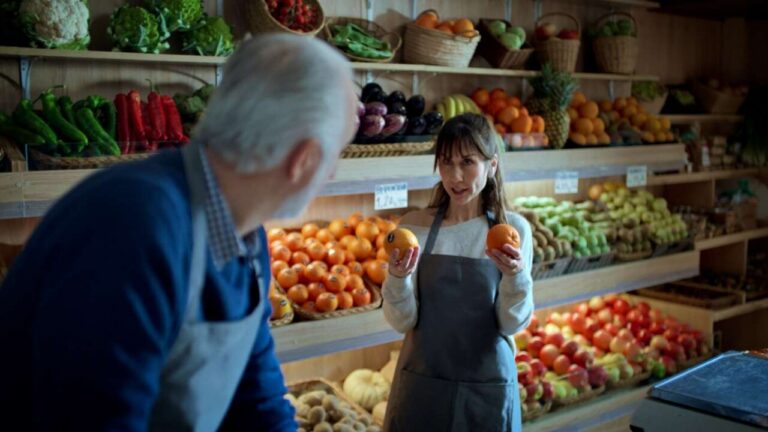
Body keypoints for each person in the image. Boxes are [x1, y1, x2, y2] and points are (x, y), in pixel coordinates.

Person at [0, 34, 358, 431]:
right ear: (303, 160)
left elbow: (256, 396)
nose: (332, 174)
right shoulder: (133, 226)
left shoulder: (246, 238)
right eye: (335, 156)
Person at [382, 113, 534, 432]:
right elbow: (402, 322)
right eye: (446, 162)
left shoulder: (513, 232)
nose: (455, 176)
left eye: (468, 162)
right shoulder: (413, 229)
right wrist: (397, 280)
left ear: (491, 165)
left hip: (487, 388)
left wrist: (515, 276)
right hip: (422, 386)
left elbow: (511, 323)